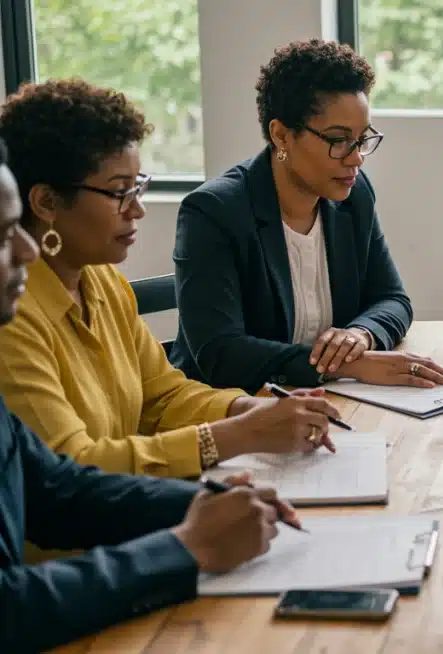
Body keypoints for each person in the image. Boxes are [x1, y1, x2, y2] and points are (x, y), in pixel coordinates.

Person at [0, 134, 290, 653]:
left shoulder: (103, 282)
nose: (23, 246)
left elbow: (56, 485)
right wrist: (186, 544)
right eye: (2, 234)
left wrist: (208, 499)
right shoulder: (14, 322)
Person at [0, 79, 339, 483]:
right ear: (46, 203)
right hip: (79, 543)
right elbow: (72, 468)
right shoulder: (12, 319)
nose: (138, 209)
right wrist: (233, 436)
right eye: (119, 192)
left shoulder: (103, 281)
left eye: (138, 187)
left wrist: (246, 409)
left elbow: (163, 396)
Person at [171, 38, 443, 393]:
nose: (356, 158)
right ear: (282, 136)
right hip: (230, 413)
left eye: (362, 138)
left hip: (323, 403)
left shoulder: (354, 196)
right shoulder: (214, 212)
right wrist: (348, 366)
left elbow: (392, 299)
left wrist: (360, 335)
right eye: (338, 140)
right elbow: (220, 353)